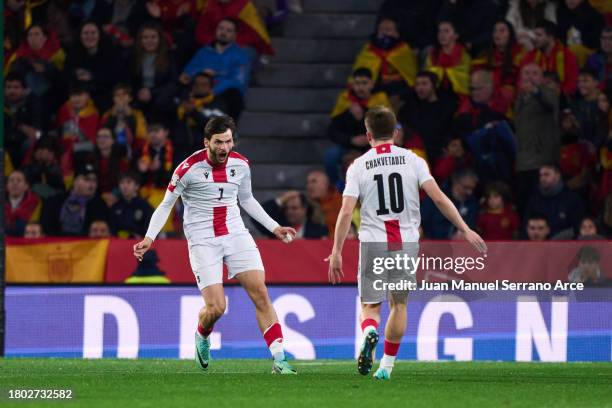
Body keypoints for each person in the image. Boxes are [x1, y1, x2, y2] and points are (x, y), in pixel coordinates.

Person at [326, 106, 486, 380]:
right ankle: (386, 367)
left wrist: (337, 251)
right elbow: (438, 198)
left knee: (370, 306)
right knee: (399, 305)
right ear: (396, 133)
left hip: (373, 244)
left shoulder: (359, 165)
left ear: (368, 135)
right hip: (407, 244)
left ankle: (368, 332)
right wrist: (465, 228)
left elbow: (345, 211)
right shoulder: (414, 160)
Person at [133, 115, 298, 374]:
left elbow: (247, 199)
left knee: (261, 293)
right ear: (206, 142)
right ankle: (202, 334)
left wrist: (274, 227)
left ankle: (280, 360)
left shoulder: (241, 165)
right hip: (202, 240)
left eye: (229, 141)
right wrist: (149, 238)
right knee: (216, 307)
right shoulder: (187, 169)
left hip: (235, 233)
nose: (224, 148)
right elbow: (166, 204)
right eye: (219, 142)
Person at [325, 68, 391, 189]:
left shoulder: (380, 99)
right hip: (349, 144)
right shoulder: (345, 100)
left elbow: (386, 127)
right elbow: (332, 131)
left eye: (364, 83)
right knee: (331, 156)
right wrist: (351, 140)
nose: (360, 87)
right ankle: (336, 187)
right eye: (357, 83)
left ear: (372, 84)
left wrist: (362, 118)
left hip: (372, 145)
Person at [180, 18, 250, 119]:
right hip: (200, 88)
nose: (223, 32)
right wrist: (202, 72)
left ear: (235, 35)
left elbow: (238, 81)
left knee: (235, 96)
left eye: (228, 30)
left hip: (223, 91)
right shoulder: (203, 51)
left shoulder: (240, 55)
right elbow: (188, 72)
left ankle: (229, 131)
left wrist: (213, 90)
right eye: (221, 28)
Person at [514, 62, 560, 214]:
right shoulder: (520, 97)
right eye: (526, 73)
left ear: (541, 78)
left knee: (540, 200)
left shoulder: (549, 93)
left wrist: (535, 91)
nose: (530, 77)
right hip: (522, 159)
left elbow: (550, 106)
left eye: (534, 73)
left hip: (541, 158)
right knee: (524, 200)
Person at [350, 17, 418, 102]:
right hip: (375, 92)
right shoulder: (368, 50)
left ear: (397, 33)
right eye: (381, 29)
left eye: (388, 29)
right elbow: (357, 77)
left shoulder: (403, 50)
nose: (384, 32)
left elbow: (412, 79)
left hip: (400, 93)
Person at [397, 71, 457, 162]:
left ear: (434, 86)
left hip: (439, 155)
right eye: (417, 84)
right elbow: (398, 125)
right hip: (413, 155)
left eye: (424, 84)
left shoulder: (447, 108)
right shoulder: (408, 108)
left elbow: (451, 131)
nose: (420, 88)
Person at [64, 21, 123, 112]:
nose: (89, 36)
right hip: (79, 95)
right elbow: (66, 76)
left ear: (99, 35)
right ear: (80, 36)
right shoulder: (73, 53)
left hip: (104, 96)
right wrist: (75, 75)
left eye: (93, 33)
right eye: (85, 33)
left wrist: (92, 77)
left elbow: (116, 78)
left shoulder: (111, 52)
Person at [40, 163, 110, 236]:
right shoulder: (54, 201)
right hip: (56, 245)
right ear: (75, 181)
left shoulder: (100, 205)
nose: (92, 184)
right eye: (86, 179)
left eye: (94, 180)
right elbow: (45, 228)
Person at [129, 23, 177, 120]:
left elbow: (173, 83)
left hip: (160, 99)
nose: (149, 41)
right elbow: (130, 80)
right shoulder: (133, 57)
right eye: (145, 37)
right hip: (139, 98)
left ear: (159, 39)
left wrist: (151, 92)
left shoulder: (169, 57)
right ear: (140, 40)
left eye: (153, 37)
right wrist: (139, 93)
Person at [524, 164, 585, 238]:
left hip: (565, 245)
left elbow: (578, 227)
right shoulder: (534, 200)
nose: (542, 178)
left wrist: (559, 237)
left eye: (547, 175)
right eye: (541, 175)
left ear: (557, 176)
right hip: (538, 245)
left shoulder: (572, 199)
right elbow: (526, 225)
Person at [521, 20, 579, 95]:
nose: (535, 39)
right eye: (535, 35)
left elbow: (572, 84)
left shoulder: (568, 56)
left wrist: (557, 94)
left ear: (550, 36)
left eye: (539, 35)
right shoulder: (530, 56)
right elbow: (522, 81)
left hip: (560, 99)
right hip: (535, 97)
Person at [195, 0, 274, 56]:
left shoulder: (245, 5)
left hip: (241, 45)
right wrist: (216, 43)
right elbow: (201, 33)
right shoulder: (210, 4)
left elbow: (255, 35)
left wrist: (229, 43)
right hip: (216, 43)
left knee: (241, 53)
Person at [421, 169, 479, 239]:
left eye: (472, 189)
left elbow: (471, 223)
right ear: (455, 182)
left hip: (458, 246)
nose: (469, 192)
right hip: (433, 242)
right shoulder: (437, 196)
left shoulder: (471, 202)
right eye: (466, 187)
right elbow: (424, 218)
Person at [4, 72, 45, 168]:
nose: (12, 91)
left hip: (24, 142)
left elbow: (37, 132)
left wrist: (21, 128)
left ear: (24, 89)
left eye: (16, 87)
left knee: (30, 144)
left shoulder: (34, 103)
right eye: (8, 87)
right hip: (6, 141)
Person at [424, 20, 472, 97]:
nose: (442, 35)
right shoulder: (433, 54)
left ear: (456, 35)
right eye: (440, 31)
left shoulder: (464, 54)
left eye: (446, 31)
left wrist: (442, 71)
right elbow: (427, 75)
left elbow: (464, 77)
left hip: (458, 95)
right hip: (437, 93)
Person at [100, 83, 148, 157]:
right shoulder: (107, 114)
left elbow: (140, 137)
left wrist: (129, 116)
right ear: (113, 98)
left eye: (124, 95)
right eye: (117, 95)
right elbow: (103, 134)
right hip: (110, 150)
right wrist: (113, 116)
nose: (120, 98)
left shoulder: (138, 114)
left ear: (130, 98)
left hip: (132, 150)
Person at [556, 0, 605, 66]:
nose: (570, 0)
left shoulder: (594, 15)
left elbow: (597, 41)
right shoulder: (562, 13)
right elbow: (560, 36)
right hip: (568, 52)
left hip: (589, 53)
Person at [111, 171, 154, 238]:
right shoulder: (115, 207)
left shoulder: (146, 207)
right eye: (122, 183)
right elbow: (112, 231)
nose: (125, 186)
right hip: (118, 244)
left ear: (137, 186)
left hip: (139, 244)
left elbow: (151, 231)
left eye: (129, 182)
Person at [5, 170, 42, 237]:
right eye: (11, 180)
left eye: (19, 180)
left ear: (26, 186)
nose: (15, 183)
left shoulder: (35, 203)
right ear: (7, 186)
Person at [586, 27, 612, 96]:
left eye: (610, 38)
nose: (607, 42)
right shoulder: (593, 59)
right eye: (604, 38)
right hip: (597, 98)